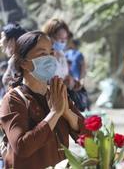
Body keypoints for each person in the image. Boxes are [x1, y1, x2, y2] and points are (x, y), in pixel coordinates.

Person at [0, 31, 90, 168]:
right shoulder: (13, 100)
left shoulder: (57, 92)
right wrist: (54, 113)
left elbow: (88, 140)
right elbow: (22, 147)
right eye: (42, 54)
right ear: (24, 63)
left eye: (51, 53)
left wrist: (67, 113)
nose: (50, 58)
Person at [0, 23, 26, 88]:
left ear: (12, 40)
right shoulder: (17, 58)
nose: (0, 41)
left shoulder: (17, 60)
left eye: (2, 37)